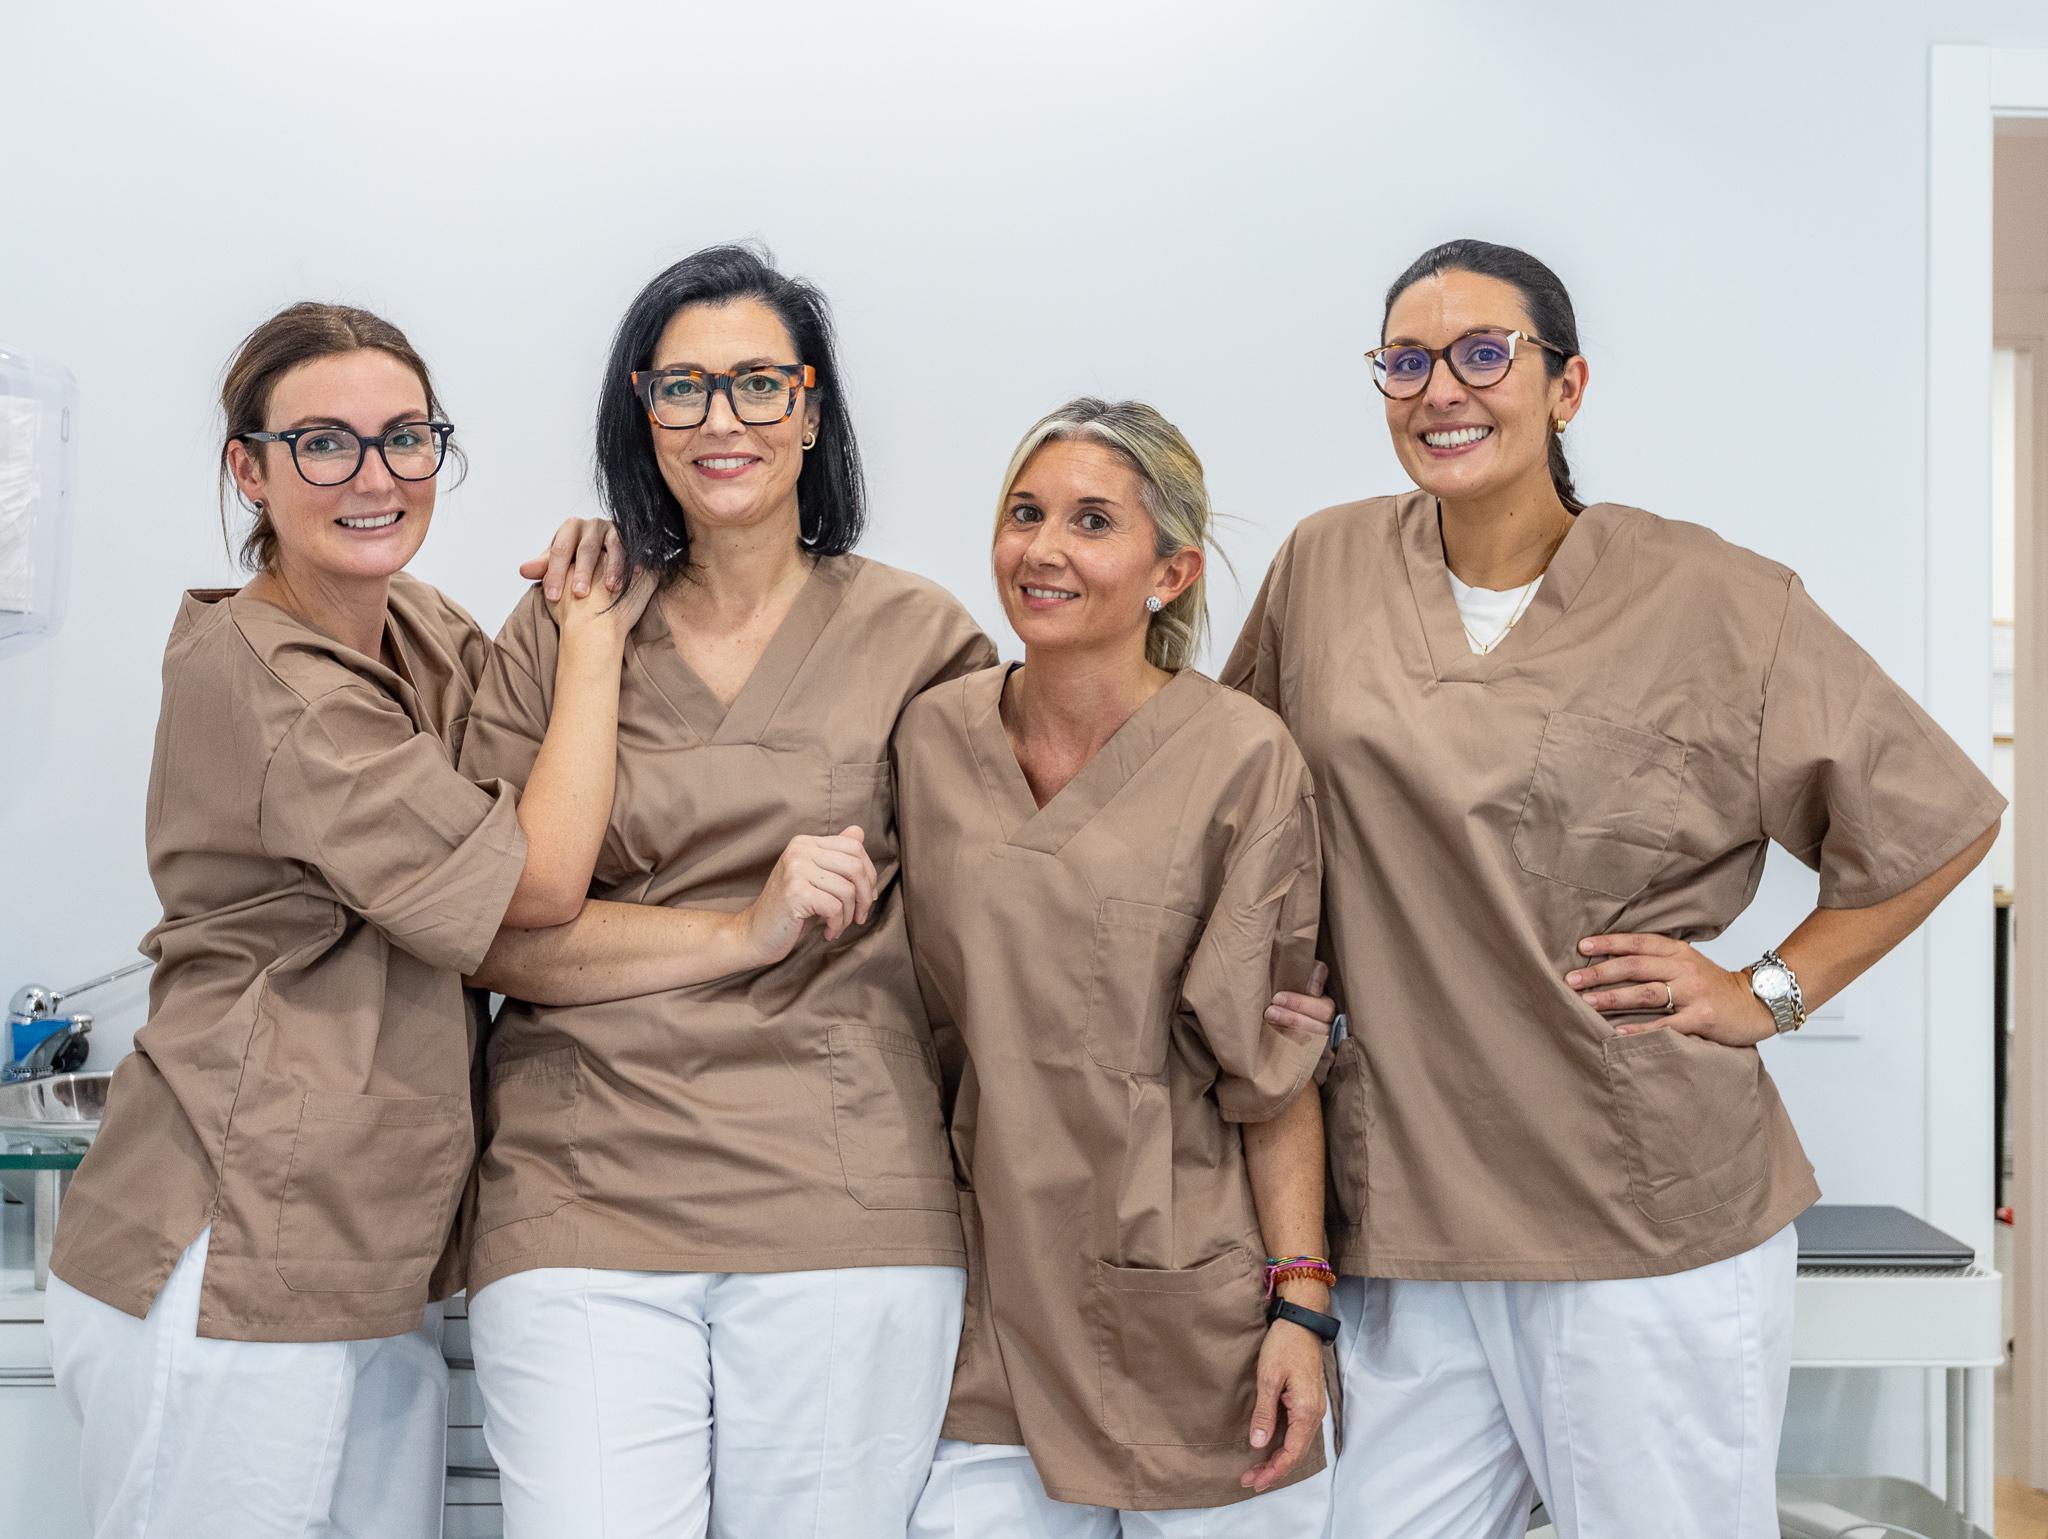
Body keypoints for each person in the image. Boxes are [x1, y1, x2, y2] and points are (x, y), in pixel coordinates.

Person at [1222, 238, 2008, 1538]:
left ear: (1567, 386)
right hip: (1408, 1210)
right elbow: (1239, 805)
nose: (1440, 389)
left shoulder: (1712, 598)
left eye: (1484, 354)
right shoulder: (1326, 568)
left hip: (1641, 1213)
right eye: (1405, 361)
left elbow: (1933, 819)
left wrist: (1765, 990)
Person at [45, 301, 648, 1538]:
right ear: (249, 471)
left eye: (405, 437)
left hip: (371, 1245)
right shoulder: (279, 685)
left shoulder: (415, 625)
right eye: (323, 443)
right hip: (231, 1248)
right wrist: (590, 646)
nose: (375, 478)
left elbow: (541, 774)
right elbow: (534, 886)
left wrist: (581, 592)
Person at [457, 244, 995, 1539]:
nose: (721, 420)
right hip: (582, 1188)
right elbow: (491, 934)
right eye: (683, 388)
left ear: (810, 410)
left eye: (758, 383)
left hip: (844, 1189)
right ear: (641, 411)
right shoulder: (566, 623)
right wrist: (744, 930)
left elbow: (1004, 916)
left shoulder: (920, 639)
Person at [900, 398, 1338, 1536]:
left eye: (1091, 521)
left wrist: (1301, 1306)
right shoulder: (931, 739)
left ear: (1170, 572)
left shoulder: (1240, 757)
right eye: (1024, 514)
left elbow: (1271, 1067)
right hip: (987, 1305)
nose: (1042, 549)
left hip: (1189, 1306)